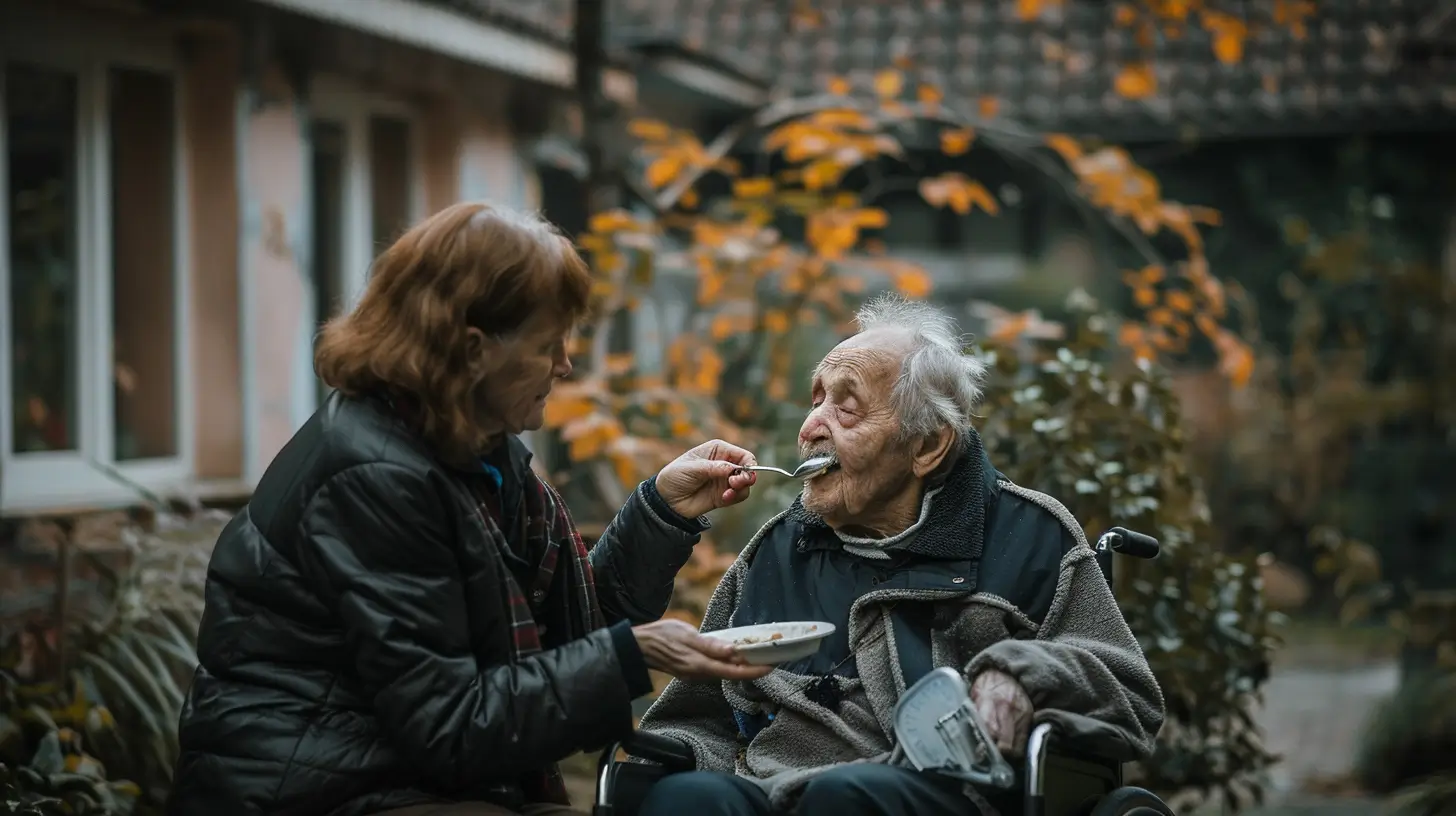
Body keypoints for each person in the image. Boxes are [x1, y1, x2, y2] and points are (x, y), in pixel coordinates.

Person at [168, 202, 771, 816]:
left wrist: (660, 515)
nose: (565, 364)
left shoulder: (477, 453)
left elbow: (573, 642)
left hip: (403, 775)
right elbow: (452, 727)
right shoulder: (372, 477)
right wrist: (633, 653)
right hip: (311, 790)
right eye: (548, 343)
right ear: (475, 349)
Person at [635, 296, 1166, 816]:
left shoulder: (1028, 536)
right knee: (684, 800)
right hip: (771, 792)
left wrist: (1022, 673)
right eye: (816, 400)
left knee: (843, 798)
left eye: (846, 406)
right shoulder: (776, 551)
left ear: (926, 447)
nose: (811, 427)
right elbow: (693, 718)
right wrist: (699, 765)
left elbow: (1130, 692)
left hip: (942, 791)